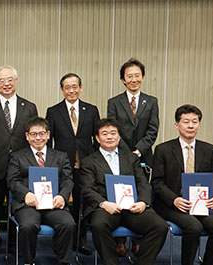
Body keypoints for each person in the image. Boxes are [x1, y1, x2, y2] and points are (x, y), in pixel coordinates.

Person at [79, 118, 167, 265]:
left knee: (160, 226)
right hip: (105, 208)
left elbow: (142, 182)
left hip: (132, 207)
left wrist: (143, 202)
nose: (109, 137)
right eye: (105, 133)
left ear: (119, 136)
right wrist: (103, 203)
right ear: (97, 138)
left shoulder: (131, 158)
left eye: (113, 133)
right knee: (98, 226)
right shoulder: (89, 161)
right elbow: (86, 189)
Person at [151, 105, 213, 265]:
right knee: (193, 227)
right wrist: (174, 200)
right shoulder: (163, 149)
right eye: (186, 122)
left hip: (201, 204)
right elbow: (157, 183)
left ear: (199, 124)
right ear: (177, 125)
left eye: (195, 121)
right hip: (172, 205)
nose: (191, 125)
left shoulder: (209, 149)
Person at [0, 65, 38, 249]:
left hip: (22, 169)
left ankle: (14, 242)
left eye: (10, 79)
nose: (6, 84)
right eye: (2, 80)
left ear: (16, 81)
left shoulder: (29, 107)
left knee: (19, 207)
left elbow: (33, 139)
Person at [107, 58, 160, 255]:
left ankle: (138, 239)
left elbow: (153, 130)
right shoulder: (114, 102)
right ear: (123, 79)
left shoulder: (152, 101)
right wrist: (126, 151)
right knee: (119, 196)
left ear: (143, 77)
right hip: (118, 156)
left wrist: (137, 150)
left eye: (137, 75)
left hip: (144, 156)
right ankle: (119, 240)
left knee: (141, 196)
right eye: (129, 76)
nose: (134, 79)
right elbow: (112, 130)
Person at [7, 117, 76, 265]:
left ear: (48, 134)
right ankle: (28, 261)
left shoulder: (61, 156)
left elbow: (68, 180)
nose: (38, 138)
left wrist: (62, 197)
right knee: (27, 226)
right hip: (27, 205)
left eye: (42, 133)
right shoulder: (17, 156)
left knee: (68, 224)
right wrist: (26, 194)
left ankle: (64, 262)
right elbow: (12, 180)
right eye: (33, 134)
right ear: (27, 136)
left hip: (54, 204)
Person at [45, 73, 99, 255]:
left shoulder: (91, 110)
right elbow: (48, 140)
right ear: (62, 90)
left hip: (86, 165)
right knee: (62, 204)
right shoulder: (53, 111)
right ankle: (61, 241)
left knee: (81, 204)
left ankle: (80, 240)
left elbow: (97, 139)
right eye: (67, 87)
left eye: (75, 86)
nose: (71, 90)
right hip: (62, 166)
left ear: (81, 88)